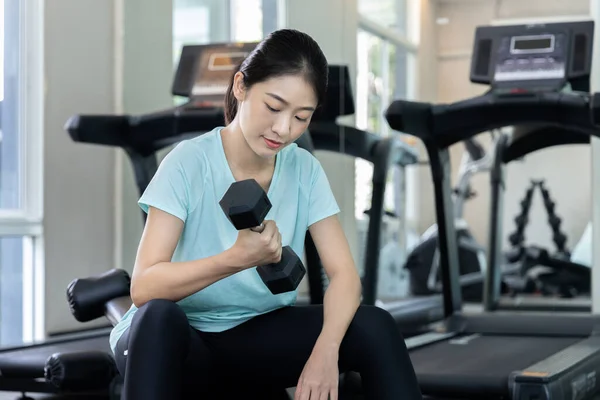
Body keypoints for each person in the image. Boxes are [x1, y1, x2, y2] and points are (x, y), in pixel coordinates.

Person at [109, 28, 422, 400]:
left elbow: (345, 278)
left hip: (256, 336)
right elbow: (144, 287)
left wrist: (325, 352)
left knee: (375, 327)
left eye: (301, 117)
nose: (283, 129)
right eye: (273, 107)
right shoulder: (188, 162)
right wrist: (234, 260)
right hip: (181, 341)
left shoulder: (303, 169)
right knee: (158, 317)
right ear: (241, 86)